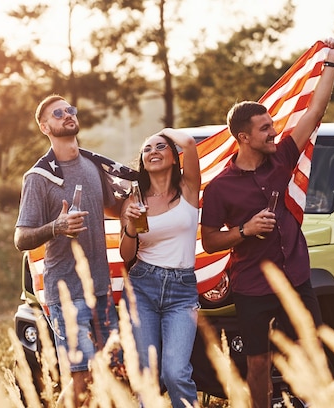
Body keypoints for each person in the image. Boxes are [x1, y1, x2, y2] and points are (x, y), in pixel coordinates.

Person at [200, 37, 334, 408]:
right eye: (265, 128)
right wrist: (245, 231)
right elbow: (211, 241)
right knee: (258, 362)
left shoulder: (281, 160)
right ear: (243, 137)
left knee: (312, 348)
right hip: (253, 286)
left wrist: (331, 62)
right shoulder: (220, 188)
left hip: (296, 277)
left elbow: (314, 112)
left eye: (272, 124)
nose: (274, 131)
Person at [14, 94, 122, 407]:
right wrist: (56, 227)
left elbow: (112, 207)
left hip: (100, 291)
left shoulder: (92, 164)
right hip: (66, 292)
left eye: (70, 110)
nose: (67, 115)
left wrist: (132, 209)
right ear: (44, 126)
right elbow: (21, 238)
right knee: (81, 376)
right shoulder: (39, 177)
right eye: (57, 113)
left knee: (110, 375)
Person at [119, 128, 201, 408]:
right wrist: (130, 226)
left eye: (160, 147)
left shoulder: (189, 189)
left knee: (176, 373)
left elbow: (189, 143)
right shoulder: (134, 200)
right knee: (148, 375)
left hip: (182, 291)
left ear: (174, 158)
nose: (152, 151)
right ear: (142, 162)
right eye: (146, 149)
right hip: (143, 286)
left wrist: (163, 131)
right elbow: (126, 254)